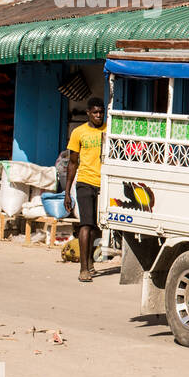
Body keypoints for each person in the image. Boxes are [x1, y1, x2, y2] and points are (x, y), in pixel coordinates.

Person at [64, 97, 106, 282]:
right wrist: (67, 192)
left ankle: (90, 261)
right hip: (85, 182)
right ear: (88, 112)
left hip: (104, 183)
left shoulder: (108, 130)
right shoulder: (78, 132)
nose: (98, 115)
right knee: (86, 225)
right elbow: (72, 163)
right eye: (95, 112)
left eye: (101, 112)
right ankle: (83, 269)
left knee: (98, 227)